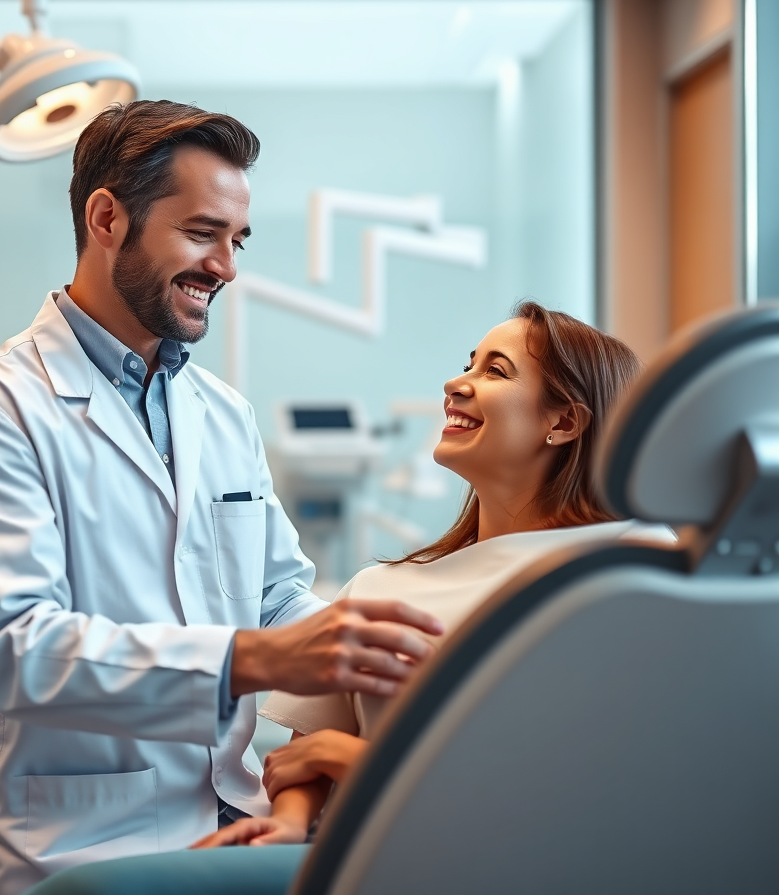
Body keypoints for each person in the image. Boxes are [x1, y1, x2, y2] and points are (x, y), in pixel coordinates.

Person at [0, 100, 442, 895]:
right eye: (202, 233)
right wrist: (255, 658)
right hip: (73, 843)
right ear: (107, 218)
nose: (226, 267)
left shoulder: (221, 413)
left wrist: (363, 648)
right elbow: (16, 651)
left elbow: (275, 596)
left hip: (233, 819)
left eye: (236, 241)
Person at [196, 301, 673, 849]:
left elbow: (599, 779)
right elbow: (307, 759)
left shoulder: (633, 568)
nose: (456, 382)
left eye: (495, 370)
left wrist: (362, 762)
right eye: (469, 364)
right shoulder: (383, 589)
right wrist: (286, 823)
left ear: (564, 421)